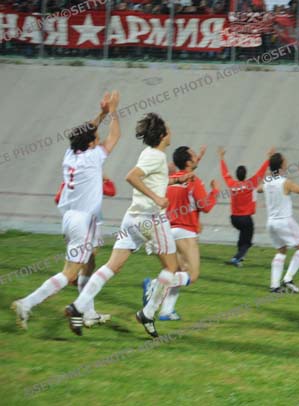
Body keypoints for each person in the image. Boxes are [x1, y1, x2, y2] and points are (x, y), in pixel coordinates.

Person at [65, 113, 193, 338]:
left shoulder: (149, 154)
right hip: (151, 219)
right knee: (171, 268)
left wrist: (175, 180)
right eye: (168, 130)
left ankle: (78, 305)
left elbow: (152, 179)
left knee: (112, 266)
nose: (171, 133)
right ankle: (148, 313)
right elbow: (132, 177)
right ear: (162, 136)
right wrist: (157, 198)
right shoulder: (157, 156)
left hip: (132, 217)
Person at [11, 92, 120, 329]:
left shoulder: (70, 155)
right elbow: (115, 136)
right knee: (69, 274)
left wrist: (101, 113)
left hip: (71, 218)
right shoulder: (93, 158)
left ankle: (88, 313)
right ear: (90, 144)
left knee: (90, 259)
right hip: (84, 221)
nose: (98, 139)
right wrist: (112, 111)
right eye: (95, 138)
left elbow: (86, 132)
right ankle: (27, 303)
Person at [148, 146, 219, 321]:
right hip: (185, 232)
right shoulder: (193, 180)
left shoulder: (170, 181)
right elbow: (205, 206)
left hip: (168, 230)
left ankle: (166, 311)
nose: (196, 158)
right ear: (188, 162)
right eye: (194, 156)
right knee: (192, 275)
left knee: (178, 271)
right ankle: (155, 284)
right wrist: (215, 191)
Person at [53, 173, 118, 327]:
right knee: (87, 266)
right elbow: (111, 191)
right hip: (90, 224)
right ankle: (85, 312)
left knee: (85, 265)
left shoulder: (70, 179)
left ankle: (88, 311)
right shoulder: (91, 179)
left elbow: (58, 198)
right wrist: (104, 177)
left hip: (70, 223)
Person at [257, 152, 299, 293]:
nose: (286, 163)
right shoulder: (286, 183)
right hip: (285, 221)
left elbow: (258, 189)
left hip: (271, 223)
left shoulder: (267, 182)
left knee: (281, 251)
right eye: (284, 161)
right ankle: (288, 279)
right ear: (281, 165)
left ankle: (274, 285)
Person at [220, 147, 272, 266]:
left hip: (234, 218)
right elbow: (261, 172)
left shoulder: (232, 184)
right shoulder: (251, 183)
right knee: (247, 242)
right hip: (246, 219)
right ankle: (236, 258)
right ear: (245, 174)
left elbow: (225, 174)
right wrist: (268, 158)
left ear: (237, 175)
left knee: (242, 236)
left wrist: (222, 158)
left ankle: (240, 258)